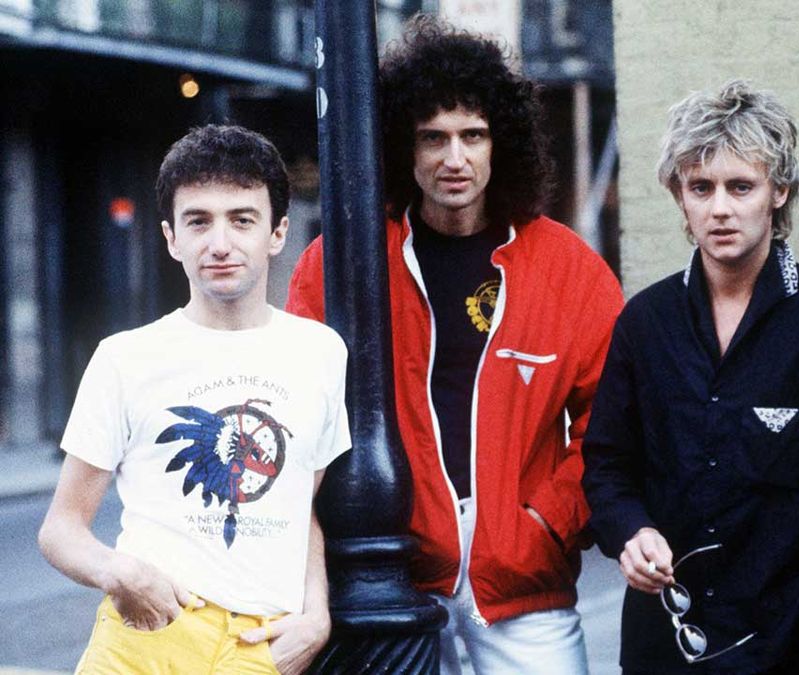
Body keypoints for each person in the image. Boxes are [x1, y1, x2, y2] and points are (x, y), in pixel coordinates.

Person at [286, 16, 623, 675]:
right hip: (396, 574)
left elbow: (613, 422)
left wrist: (547, 521)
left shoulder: (568, 269)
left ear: (503, 144)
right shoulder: (344, 264)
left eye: (474, 135)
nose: (454, 158)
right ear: (401, 149)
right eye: (432, 138)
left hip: (525, 585)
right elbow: (299, 416)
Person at [582, 79, 799, 674]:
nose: (720, 208)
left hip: (787, 642)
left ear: (778, 192)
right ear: (679, 197)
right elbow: (607, 463)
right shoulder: (645, 321)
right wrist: (630, 533)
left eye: (741, 186)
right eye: (700, 188)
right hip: (666, 637)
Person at [38, 124, 350, 674]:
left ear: (277, 233)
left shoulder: (321, 353)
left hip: (259, 648)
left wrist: (317, 614)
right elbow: (61, 529)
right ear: (171, 237)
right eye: (199, 221)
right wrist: (120, 573)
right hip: (146, 636)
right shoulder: (125, 358)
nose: (221, 243)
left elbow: (302, 505)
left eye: (242, 220)